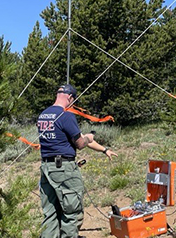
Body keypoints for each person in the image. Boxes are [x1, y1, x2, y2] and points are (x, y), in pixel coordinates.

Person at [37, 84, 118, 238]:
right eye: (73, 101)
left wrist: (104, 150)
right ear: (70, 97)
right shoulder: (65, 115)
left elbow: (69, 138)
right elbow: (80, 143)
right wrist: (89, 137)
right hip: (63, 169)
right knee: (72, 212)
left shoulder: (43, 115)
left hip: (47, 168)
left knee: (51, 212)